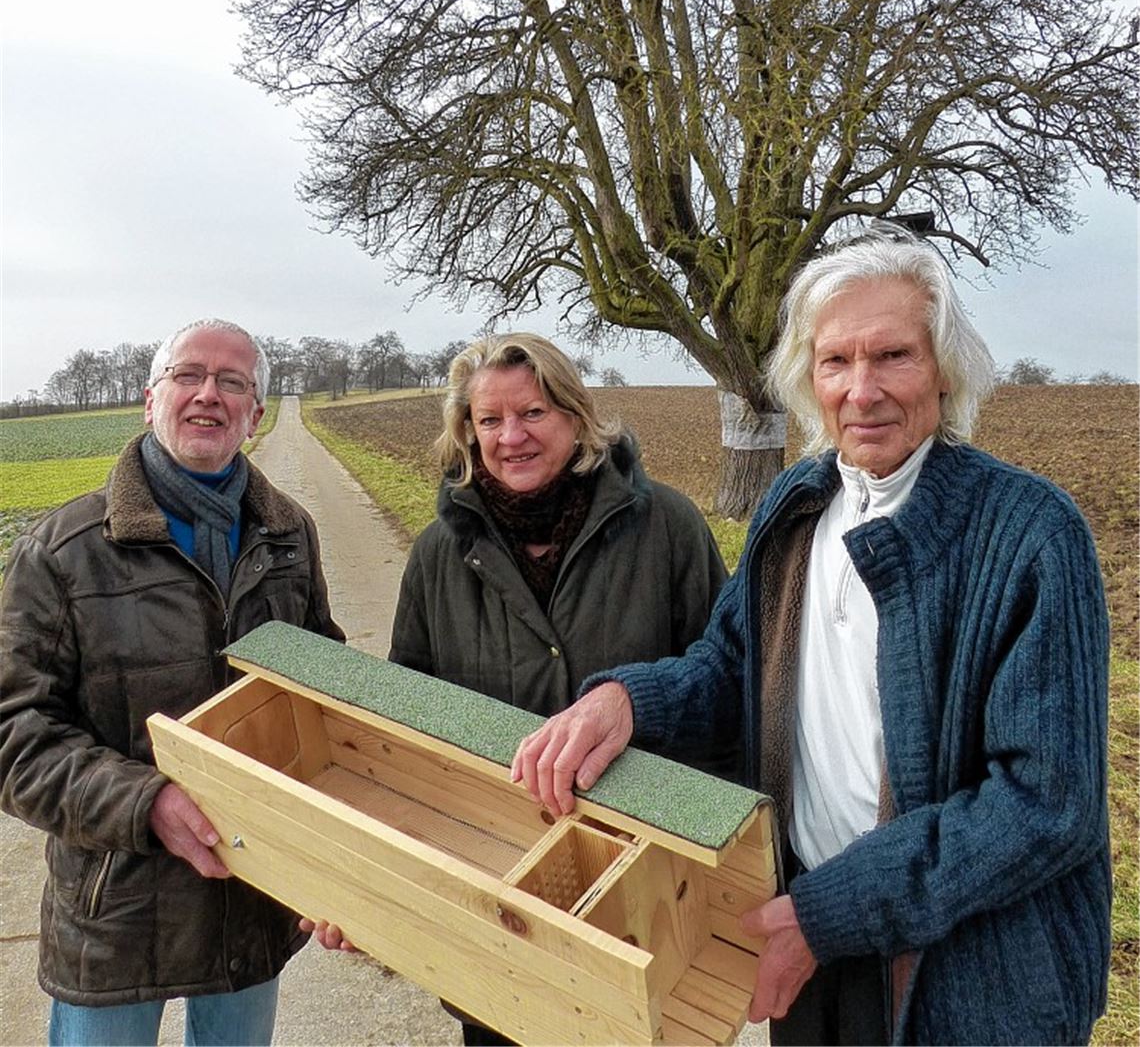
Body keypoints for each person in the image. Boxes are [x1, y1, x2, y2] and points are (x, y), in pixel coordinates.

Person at [511, 230, 1111, 1047]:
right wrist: (627, 701)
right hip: (813, 946)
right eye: (836, 361)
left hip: (966, 979)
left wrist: (830, 914)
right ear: (808, 377)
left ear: (944, 370)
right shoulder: (797, 503)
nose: (862, 390)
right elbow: (732, 665)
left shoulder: (1030, 534)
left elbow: (1045, 806)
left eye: (893, 356)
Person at [307, 332, 729, 1045]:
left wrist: (717, 878)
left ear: (575, 416)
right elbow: (400, 735)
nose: (512, 437)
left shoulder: (668, 528)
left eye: (533, 412)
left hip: (643, 891)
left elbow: (722, 687)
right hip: (492, 897)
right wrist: (366, 884)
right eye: (490, 420)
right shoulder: (439, 553)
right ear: (467, 433)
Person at [0, 319, 345, 1047]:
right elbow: (13, 734)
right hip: (117, 910)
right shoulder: (63, 552)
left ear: (255, 415)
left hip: (254, 898)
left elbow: (323, 702)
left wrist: (333, 860)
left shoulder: (289, 536)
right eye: (188, 375)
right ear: (150, 398)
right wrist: (146, 801)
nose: (208, 394)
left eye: (232, 382)